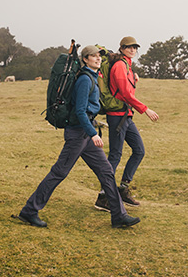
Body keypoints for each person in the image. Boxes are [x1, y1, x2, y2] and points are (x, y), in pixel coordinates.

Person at [18, 45, 140, 229]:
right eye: (93, 56)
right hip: (78, 135)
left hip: (86, 133)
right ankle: (29, 211)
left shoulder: (92, 77)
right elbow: (80, 111)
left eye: (99, 56)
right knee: (59, 173)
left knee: (106, 172)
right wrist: (92, 134)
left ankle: (119, 216)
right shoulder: (84, 80)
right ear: (85, 59)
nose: (98, 59)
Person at [95, 36, 159, 211]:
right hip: (117, 115)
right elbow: (124, 93)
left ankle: (122, 189)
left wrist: (134, 79)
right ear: (122, 48)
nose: (132, 49)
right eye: (129, 47)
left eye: (135, 47)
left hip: (126, 115)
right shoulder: (119, 66)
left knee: (139, 151)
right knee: (115, 155)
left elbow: (125, 88)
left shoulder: (127, 66)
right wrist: (145, 109)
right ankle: (103, 196)